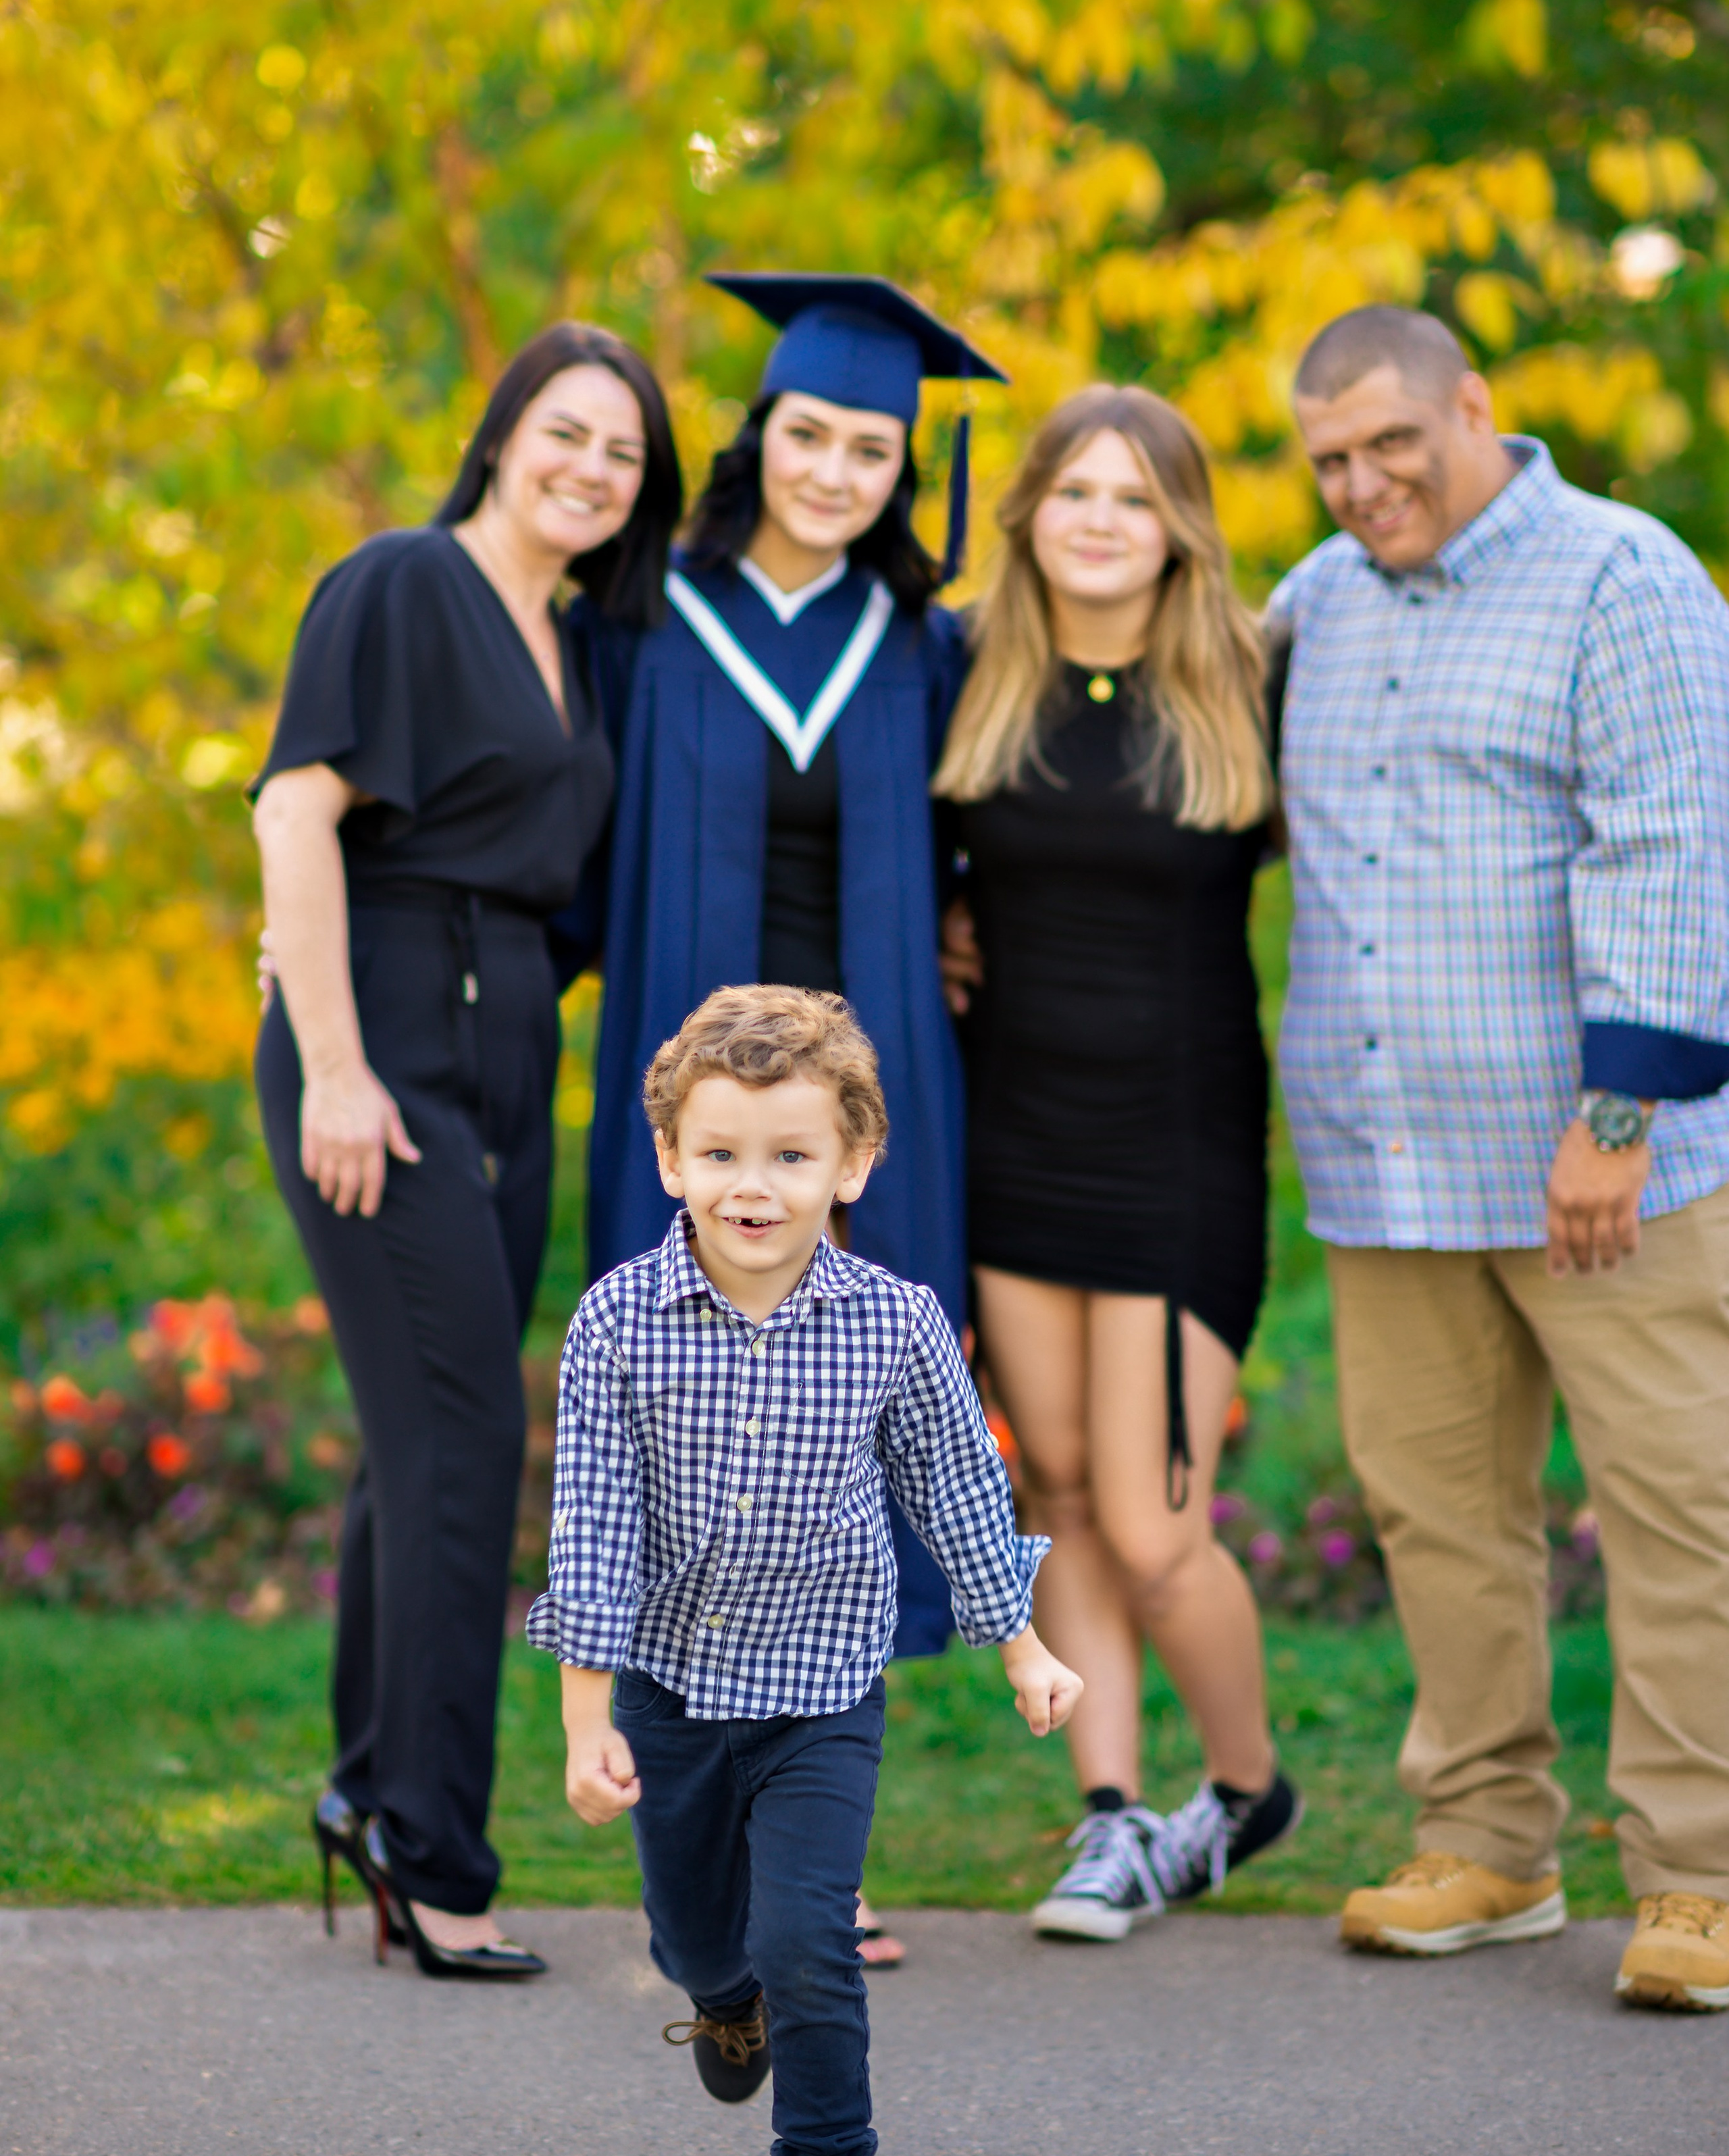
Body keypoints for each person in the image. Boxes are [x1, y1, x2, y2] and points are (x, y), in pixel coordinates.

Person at [1276, 302, 1729, 2009]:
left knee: (1673, 1511)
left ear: (1471, 403)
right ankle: (1489, 1842)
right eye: (1326, 458)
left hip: (1598, 1167)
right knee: (1438, 1517)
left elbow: (1674, 846)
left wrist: (1616, 1115)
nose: (1361, 481)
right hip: (1389, 1165)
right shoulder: (1313, 604)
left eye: (1390, 440)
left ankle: (1696, 1876)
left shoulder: (1621, 574)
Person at [573, 272, 1010, 1969]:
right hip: (696, 1107)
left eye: (872, 446)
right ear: (758, 437)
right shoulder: (649, 617)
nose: (835, 468)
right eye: (808, 433)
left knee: (860, 1438)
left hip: (871, 1097)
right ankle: (692, 1823)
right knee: (675, 1430)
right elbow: (573, 849)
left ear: (905, 470)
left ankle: (815, 1855)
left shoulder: (922, 641)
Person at [530, 985, 1080, 2156]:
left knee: (808, 1940)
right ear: (669, 1158)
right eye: (718, 1154)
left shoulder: (892, 1323)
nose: (752, 1186)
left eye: (788, 1155)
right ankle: (724, 2001)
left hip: (822, 1690)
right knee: (694, 1935)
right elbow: (594, 1529)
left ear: (852, 1162)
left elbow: (956, 1486)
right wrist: (581, 1721)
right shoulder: (616, 1324)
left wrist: (1021, 1646)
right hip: (665, 1687)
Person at [253, 322, 681, 1977]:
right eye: (563, 432)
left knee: (416, 1438)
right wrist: (337, 1068)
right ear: (501, 431)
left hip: (510, 1048)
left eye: (622, 454)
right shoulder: (400, 582)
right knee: (467, 1439)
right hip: (387, 1041)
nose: (588, 467)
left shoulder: (579, 639)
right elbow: (296, 811)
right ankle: (435, 1854)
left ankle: (373, 1795)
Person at [934, 385, 1301, 1941]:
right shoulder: (970, 678)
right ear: (1030, 514)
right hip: (1015, 1137)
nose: (1098, 517)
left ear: (1176, 529)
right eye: (1073, 489)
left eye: (1133, 496)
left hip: (1176, 1150)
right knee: (1063, 1485)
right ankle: (1107, 1815)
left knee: (1156, 1526)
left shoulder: (1247, 679)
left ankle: (1241, 1791)